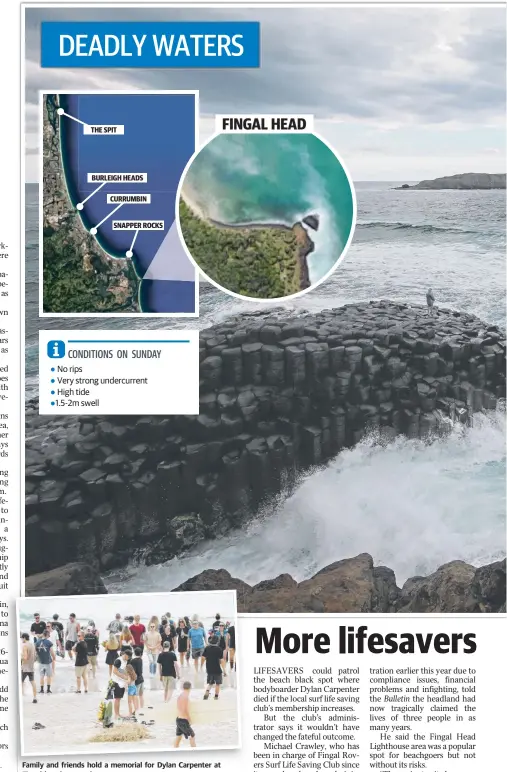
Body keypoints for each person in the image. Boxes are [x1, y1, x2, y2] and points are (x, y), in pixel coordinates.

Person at [174, 681, 196, 748]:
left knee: (178, 737)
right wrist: (189, 719)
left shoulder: (180, 696)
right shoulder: (186, 697)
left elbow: (178, 708)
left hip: (178, 719)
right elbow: (185, 710)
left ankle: (174, 752)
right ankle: (196, 754)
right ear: (190, 688)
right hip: (183, 721)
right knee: (192, 736)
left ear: (183, 687)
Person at [203, 635, 225, 700]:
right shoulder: (219, 649)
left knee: (210, 683)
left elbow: (203, 658)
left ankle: (207, 692)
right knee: (218, 684)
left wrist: (202, 666)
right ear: (217, 642)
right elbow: (221, 660)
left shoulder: (207, 648)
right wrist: (224, 670)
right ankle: (216, 696)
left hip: (209, 669)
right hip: (217, 669)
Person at [35, 629, 55, 694]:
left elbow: (35, 653)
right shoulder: (48, 642)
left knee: (41, 676)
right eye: (49, 635)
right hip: (48, 662)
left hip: (40, 662)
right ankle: (48, 690)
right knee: (49, 676)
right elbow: (52, 652)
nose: (49, 636)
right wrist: (54, 657)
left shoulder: (37, 642)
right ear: (47, 635)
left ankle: (41, 690)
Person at [20, 632, 37, 703]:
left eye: (22, 638)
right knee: (33, 682)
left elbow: (25, 657)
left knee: (20, 682)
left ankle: (21, 696)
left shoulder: (25, 646)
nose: (21, 640)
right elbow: (35, 657)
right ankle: (35, 698)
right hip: (31, 667)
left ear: (24, 638)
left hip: (25, 667)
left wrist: (20, 656)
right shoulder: (32, 645)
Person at [111, 656, 129, 721]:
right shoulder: (118, 660)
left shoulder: (125, 661)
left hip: (122, 683)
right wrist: (124, 677)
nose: (128, 659)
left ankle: (118, 713)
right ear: (125, 655)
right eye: (128, 657)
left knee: (119, 699)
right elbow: (114, 671)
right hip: (116, 682)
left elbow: (121, 670)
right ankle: (116, 714)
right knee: (117, 699)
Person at [131, 646, 145, 711]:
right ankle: (142, 707)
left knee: (135, 695)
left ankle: (137, 708)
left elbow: (133, 671)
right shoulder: (141, 660)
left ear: (134, 653)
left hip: (137, 680)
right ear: (140, 654)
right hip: (141, 679)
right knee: (141, 695)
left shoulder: (132, 661)